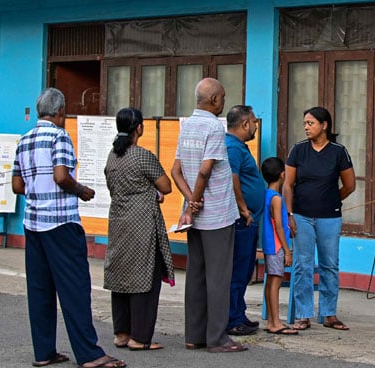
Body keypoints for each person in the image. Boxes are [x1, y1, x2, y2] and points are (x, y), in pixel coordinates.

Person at [12, 88, 126, 368]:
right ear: (60, 111)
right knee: (75, 289)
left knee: (40, 290)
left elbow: (17, 186)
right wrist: (81, 190)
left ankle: (44, 353)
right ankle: (90, 355)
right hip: (61, 224)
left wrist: (39, 193)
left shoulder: (24, 140)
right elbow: (62, 176)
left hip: (33, 224)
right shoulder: (59, 136)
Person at [171, 78, 248, 353]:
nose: (224, 101)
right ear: (214, 100)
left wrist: (189, 204)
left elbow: (176, 171)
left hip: (195, 216)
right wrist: (196, 200)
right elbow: (205, 170)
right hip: (215, 214)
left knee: (196, 276)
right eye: (223, 97)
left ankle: (194, 335)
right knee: (218, 278)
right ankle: (217, 338)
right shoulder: (214, 127)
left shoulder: (187, 124)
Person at [103, 107, 175, 351]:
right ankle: (140, 338)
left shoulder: (112, 156)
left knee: (120, 276)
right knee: (146, 278)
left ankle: (121, 333)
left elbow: (114, 187)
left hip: (118, 223)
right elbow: (165, 187)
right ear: (139, 128)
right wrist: (151, 192)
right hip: (142, 224)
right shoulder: (143, 156)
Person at [283, 106, 356, 331]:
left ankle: (329, 314)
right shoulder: (298, 150)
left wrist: (333, 200)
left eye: (310, 123)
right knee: (303, 265)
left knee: (329, 265)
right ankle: (304, 315)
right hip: (302, 216)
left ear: (324, 125)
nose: (306, 127)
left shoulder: (338, 151)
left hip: (329, 218)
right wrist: (290, 214)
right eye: (304, 123)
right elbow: (287, 184)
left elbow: (350, 185)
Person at [224, 105, 266, 336]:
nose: (256, 127)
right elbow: (232, 178)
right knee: (238, 271)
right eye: (254, 123)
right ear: (244, 124)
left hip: (249, 220)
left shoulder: (239, 146)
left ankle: (239, 313)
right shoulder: (232, 147)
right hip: (242, 220)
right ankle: (232, 319)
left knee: (245, 269)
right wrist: (243, 208)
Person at [260, 157, 298, 335]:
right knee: (275, 283)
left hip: (269, 244)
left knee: (270, 283)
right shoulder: (277, 198)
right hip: (276, 245)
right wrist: (287, 250)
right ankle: (275, 322)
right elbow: (279, 227)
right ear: (282, 174)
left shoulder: (267, 193)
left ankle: (271, 320)